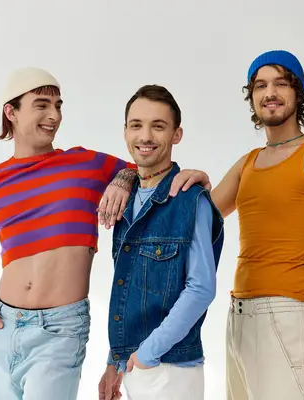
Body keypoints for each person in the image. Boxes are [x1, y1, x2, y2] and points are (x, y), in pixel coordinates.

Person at [0, 67, 211, 400]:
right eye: (41, 104)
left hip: (61, 327)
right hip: (2, 327)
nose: (53, 115)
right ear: (11, 112)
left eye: (58, 105)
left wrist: (130, 179)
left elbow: (147, 166)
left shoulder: (85, 163)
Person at [211, 50, 304, 399]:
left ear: (298, 92)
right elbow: (196, 216)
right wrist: (134, 176)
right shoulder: (248, 163)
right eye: (260, 85)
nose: (270, 93)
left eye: (281, 83)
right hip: (239, 319)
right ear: (251, 97)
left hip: (288, 318)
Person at [98, 84, 225, 400]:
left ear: (176, 135)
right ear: (125, 132)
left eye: (158, 126)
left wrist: (145, 356)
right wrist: (116, 360)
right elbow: (130, 288)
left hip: (171, 370)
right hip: (135, 366)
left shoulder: (191, 200)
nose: (145, 136)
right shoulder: (126, 200)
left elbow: (201, 289)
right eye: (136, 125)